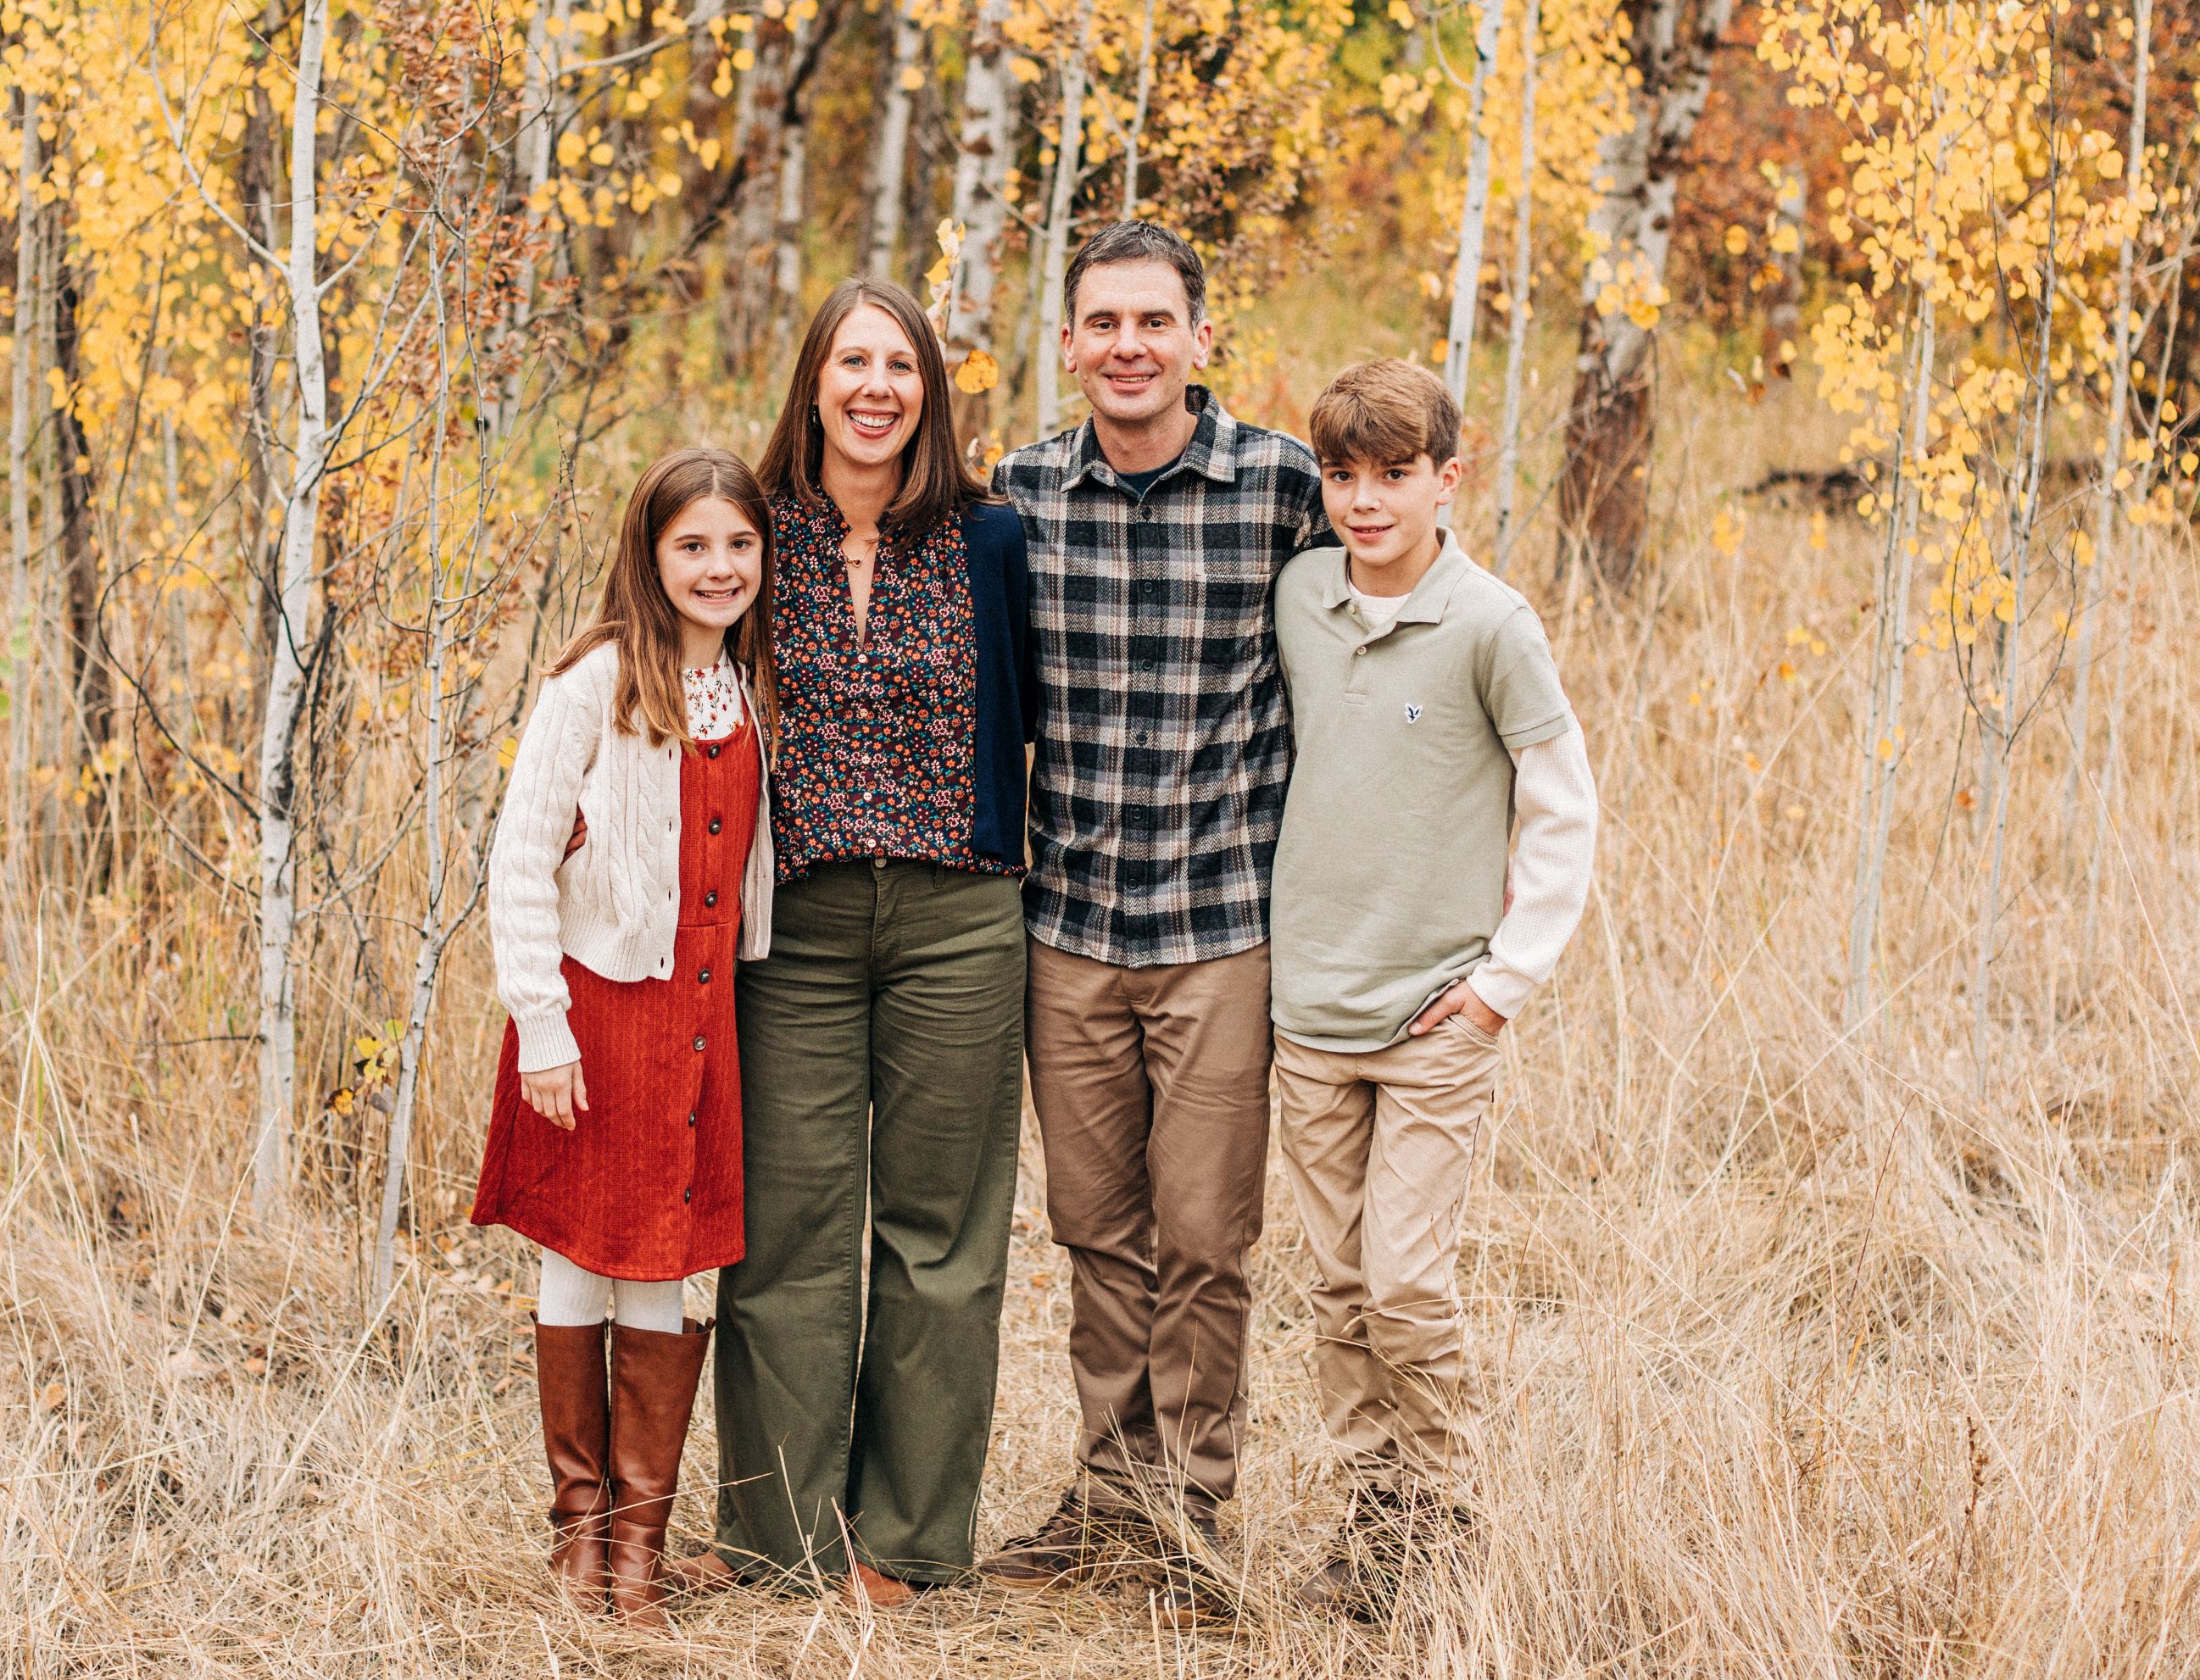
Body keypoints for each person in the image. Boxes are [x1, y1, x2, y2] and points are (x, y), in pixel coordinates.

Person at [670, 277, 1039, 1608]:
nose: (876, 386)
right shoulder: (756, 533)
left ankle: (909, 1543)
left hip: (959, 915)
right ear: (814, 382)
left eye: (901, 364)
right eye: (852, 362)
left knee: (943, 1234)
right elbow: (668, 669)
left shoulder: (991, 536)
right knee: (786, 1229)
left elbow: (1036, 710)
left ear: (929, 388)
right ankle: (777, 1536)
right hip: (797, 922)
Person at [983, 220, 1329, 1625]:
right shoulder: (1017, 496)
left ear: (1199, 336)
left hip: (1219, 923)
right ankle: (1108, 1500)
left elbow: (1389, 624)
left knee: (1204, 1236)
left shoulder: (1282, 486)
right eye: (1104, 323)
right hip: (1068, 926)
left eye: (1154, 321)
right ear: (1070, 343)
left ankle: (1192, 1516)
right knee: (1096, 1230)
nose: (1129, 346)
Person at [1267, 359, 1597, 1619]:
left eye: (1394, 475)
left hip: (1432, 1019)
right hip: (1312, 1012)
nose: (1366, 501)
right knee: (1339, 1289)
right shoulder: (1303, 597)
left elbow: (1563, 810)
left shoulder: (1493, 625)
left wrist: (1503, 983)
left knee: (1406, 1281)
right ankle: (1374, 1531)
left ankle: (1451, 1518)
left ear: (1447, 480)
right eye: (1342, 475)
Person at [470, 448, 780, 1626]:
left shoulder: (747, 687)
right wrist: (541, 1026)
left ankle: (640, 1550)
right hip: (597, 1012)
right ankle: (580, 1537)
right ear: (651, 556)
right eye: (692, 545)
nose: (718, 567)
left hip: (699, 1017)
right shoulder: (593, 680)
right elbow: (520, 860)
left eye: (739, 545)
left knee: (666, 1261)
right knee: (582, 1254)